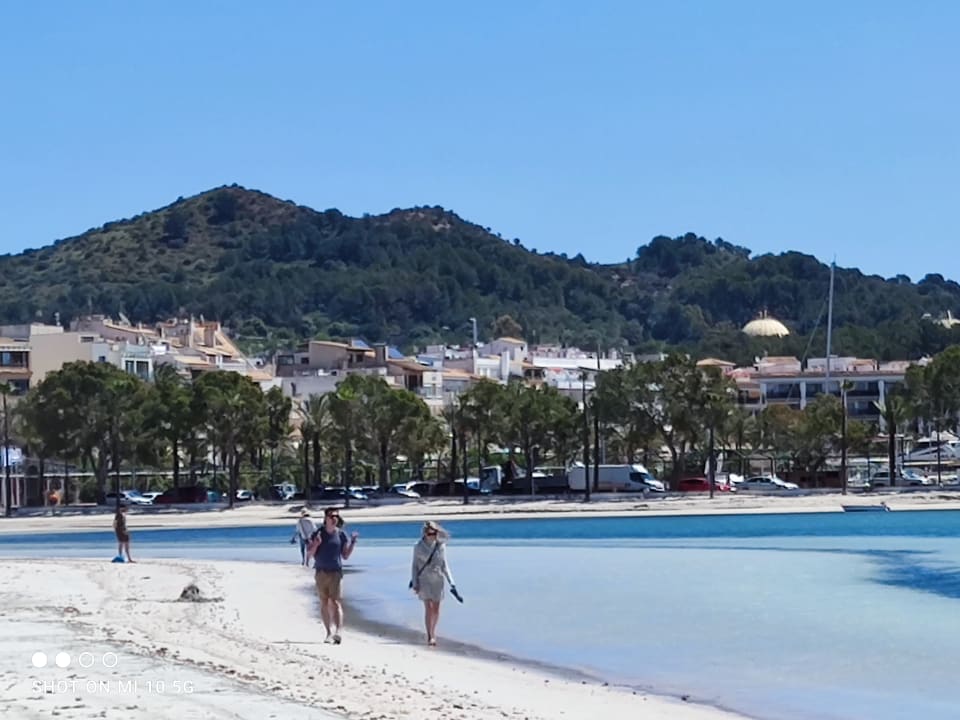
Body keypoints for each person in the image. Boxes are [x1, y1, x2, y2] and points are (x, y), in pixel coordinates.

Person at [306, 507, 358, 644]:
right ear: (326, 518)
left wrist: (353, 542)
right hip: (321, 572)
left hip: (336, 572)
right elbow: (309, 554)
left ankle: (338, 632)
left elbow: (345, 556)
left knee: (335, 602)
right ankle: (328, 633)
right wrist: (316, 544)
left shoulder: (341, 534)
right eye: (332, 516)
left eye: (336, 516)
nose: (335, 519)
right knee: (324, 602)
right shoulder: (318, 533)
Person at [410, 520, 457, 647]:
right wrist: (415, 582)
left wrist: (452, 583)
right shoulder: (418, 546)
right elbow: (414, 566)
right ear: (425, 533)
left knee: (436, 609)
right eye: (430, 534)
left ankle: (433, 630)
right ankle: (430, 635)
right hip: (424, 580)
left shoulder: (441, 546)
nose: (432, 536)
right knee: (428, 608)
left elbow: (444, 565)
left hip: (438, 580)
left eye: (434, 533)